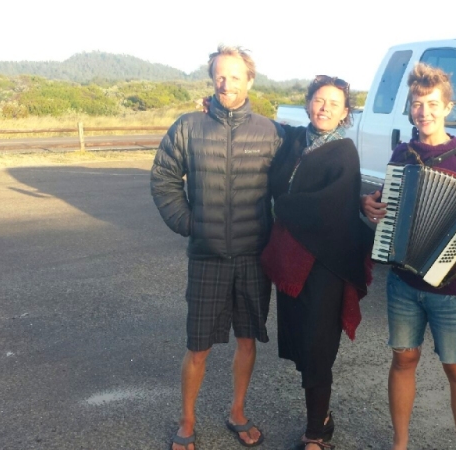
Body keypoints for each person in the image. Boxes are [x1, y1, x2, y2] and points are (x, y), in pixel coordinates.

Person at [361, 63, 456, 450]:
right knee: (404, 360)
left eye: (431, 104)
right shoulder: (402, 153)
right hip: (404, 282)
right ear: (410, 109)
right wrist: (371, 207)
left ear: (446, 108)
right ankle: (401, 443)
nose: (423, 111)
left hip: (454, 285)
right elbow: (386, 207)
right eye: (417, 104)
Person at [150, 45, 284, 450]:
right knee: (198, 347)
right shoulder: (188, 126)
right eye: (220, 76)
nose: (227, 84)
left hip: (252, 257)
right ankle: (186, 420)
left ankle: (237, 412)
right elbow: (164, 179)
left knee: (247, 341)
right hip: (206, 257)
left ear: (250, 80)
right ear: (212, 80)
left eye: (235, 76)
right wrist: (190, 223)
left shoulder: (271, 132)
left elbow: (295, 186)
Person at [261, 75, 372, 450]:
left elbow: (331, 205)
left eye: (333, 103)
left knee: (318, 346)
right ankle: (320, 417)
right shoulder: (293, 140)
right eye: (318, 100)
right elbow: (262, 130)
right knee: (301, 344)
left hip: (326, 265)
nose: (324, 108)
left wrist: (281, 206)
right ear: (308, 102)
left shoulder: (343, 152)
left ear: (345, 113)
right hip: (292, 260)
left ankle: (316, 433)